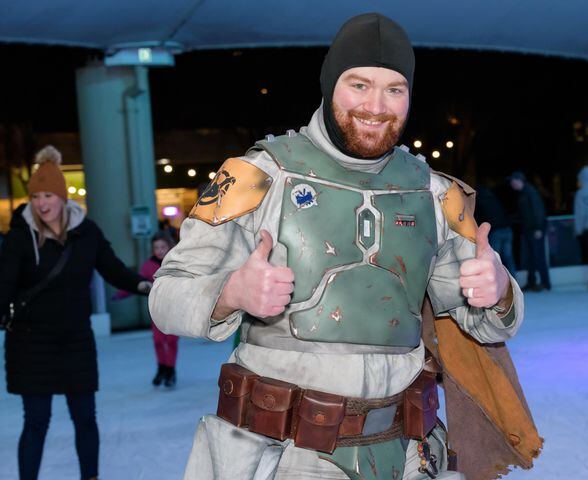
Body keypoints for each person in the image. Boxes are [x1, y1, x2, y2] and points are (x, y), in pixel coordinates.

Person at [150, 13, 541, 480]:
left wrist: (496, 292)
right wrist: (231, 293)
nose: (376, 105)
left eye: (394, 89)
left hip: (407, 455)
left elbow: (488, 327)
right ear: (330, 84)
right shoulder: (258, 175)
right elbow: (165, 296)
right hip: (289, 456)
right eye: (359, 85)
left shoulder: (434, 194)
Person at [0, 146, 151, 480]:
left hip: (74, 340)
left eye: (48, 195)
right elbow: (4, 284)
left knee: (85, 417)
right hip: (30, 343)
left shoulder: (86, 233)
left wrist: (145, 286)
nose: (42, 203)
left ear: (62, 196)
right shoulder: (19, 238)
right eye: (36, 196)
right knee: (36, 420)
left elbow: (113, 270)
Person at [114, 231, 179, 387]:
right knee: (158, 341)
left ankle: (170, 370)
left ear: (169, 247)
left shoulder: (177, 264)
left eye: (163, 247)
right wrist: (121, 294)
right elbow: (137, 284)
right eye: (156, 247)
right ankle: (161, 368)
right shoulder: (148, 266)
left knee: (170, 341)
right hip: (156, 310)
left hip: (174, 311)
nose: (160, 250)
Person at [508, 171, 551, 291]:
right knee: (530, 257)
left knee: (538, 256)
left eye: (512, 181)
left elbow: (538, 210)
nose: (511, 184)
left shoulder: (530, 192)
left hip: (535, 229)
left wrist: (538, 228)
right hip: (528, 229)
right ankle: (532, 282)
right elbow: (524, 213)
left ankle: (545, 283)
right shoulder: (523, 193)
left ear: (518, 180)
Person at [474, 184, 516, 276]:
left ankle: (496, 281)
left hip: (496, 231)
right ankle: (514, 282)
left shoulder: (480, 201)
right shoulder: (495, 198)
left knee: (495, 258)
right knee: (508, 257)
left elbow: (478, 218)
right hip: (507, 229)